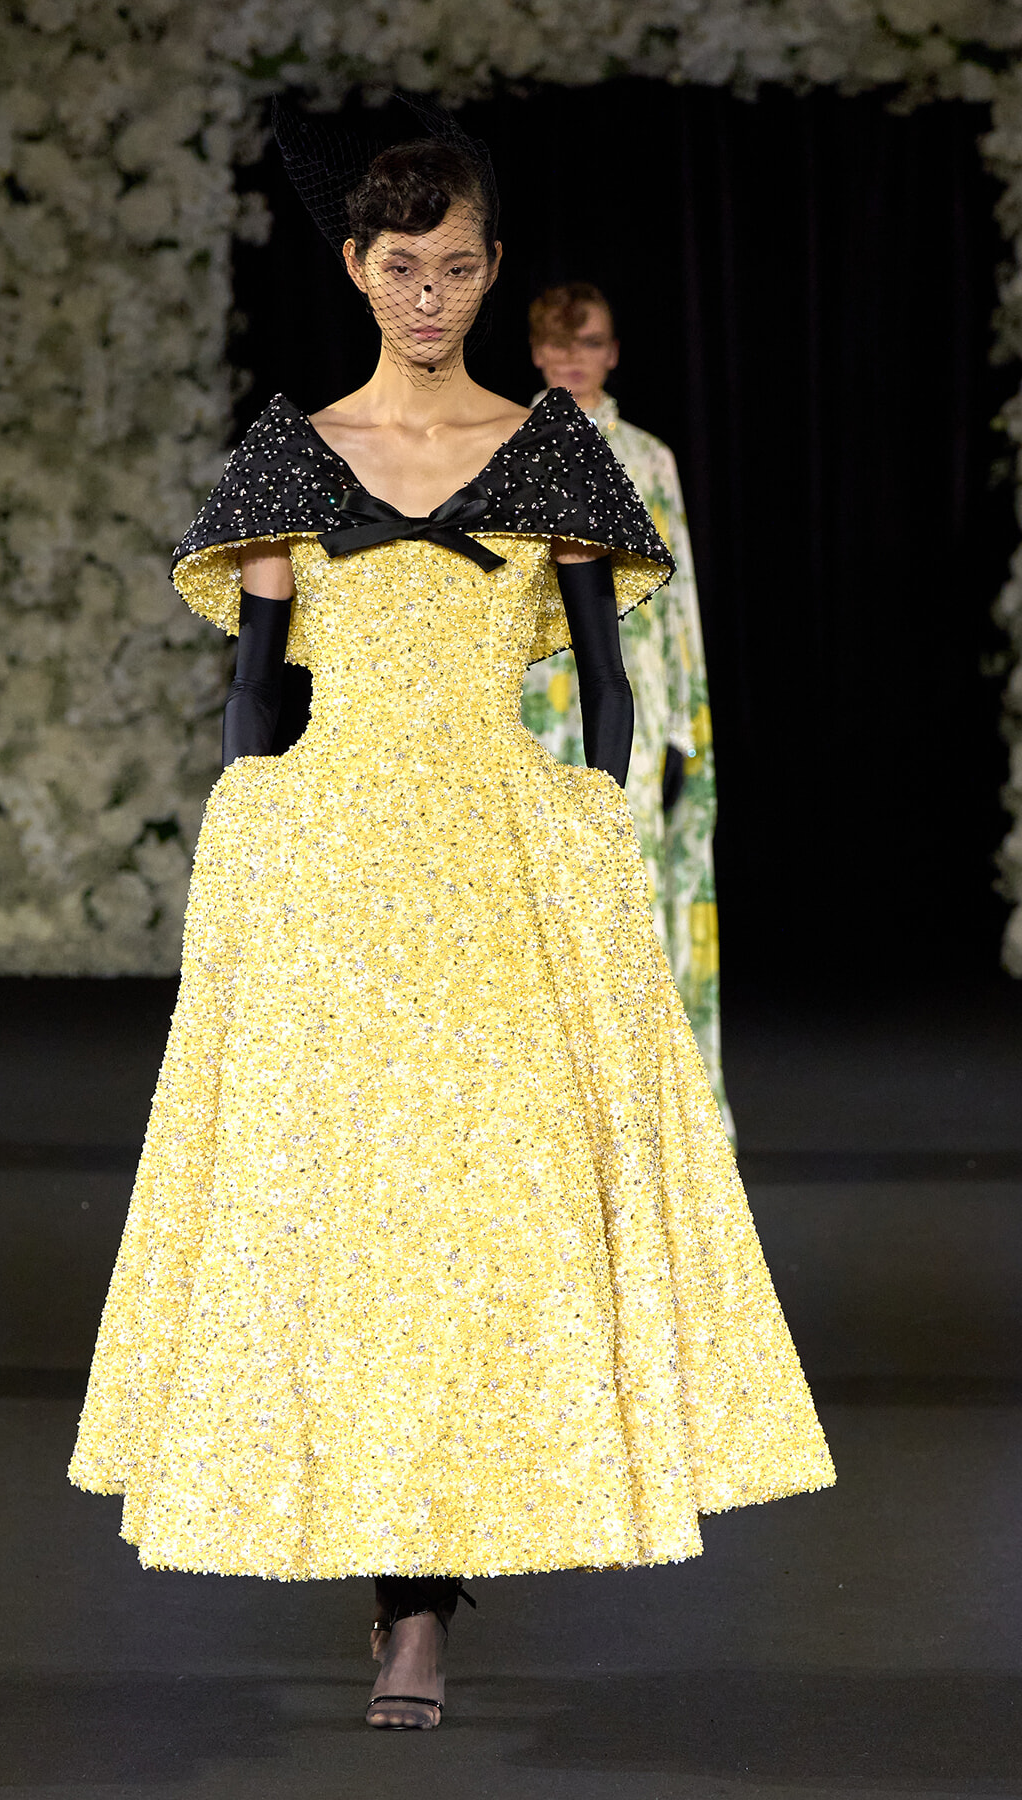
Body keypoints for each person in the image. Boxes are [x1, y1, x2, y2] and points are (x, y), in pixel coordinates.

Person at [69, 118, 833, 1735]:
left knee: (477, 1217)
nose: (429, 295)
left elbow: (607, 688)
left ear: (492, 270)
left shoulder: (554, 453)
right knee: (349, 1211)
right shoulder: (291, 450)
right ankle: (395, 1593)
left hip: (499, 857)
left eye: (460, 266)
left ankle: (431, 1578)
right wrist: (251, 853)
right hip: (333, 863)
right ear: (355, 269)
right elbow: (254, 699)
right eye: (399, 267)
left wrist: (596, 845)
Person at [526, 283, 730, 1129]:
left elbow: (674, 593)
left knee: (629, 881)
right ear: (537, 350)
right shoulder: (500, 448)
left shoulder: (648, 459)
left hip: (632, 689)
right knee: (537, 895)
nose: (573, 358)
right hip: (532, 694)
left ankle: (642, 1109)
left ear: (613, 352)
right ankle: (550, 1109)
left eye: (591, 343)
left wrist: (687, 720)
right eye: (558, 342)